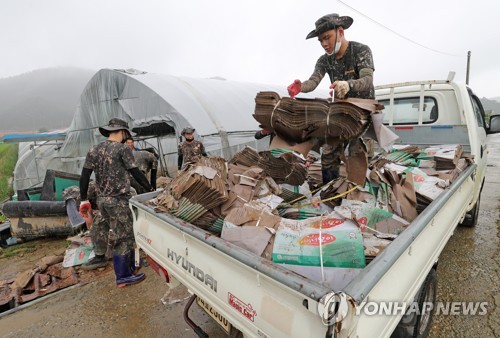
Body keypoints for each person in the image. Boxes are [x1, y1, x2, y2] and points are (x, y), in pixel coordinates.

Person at [287, 13, 375, 185]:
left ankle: (359, 194)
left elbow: (367, 80)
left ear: (340, 32)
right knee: (328, 152)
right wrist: (301, 87)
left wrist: (348, 85)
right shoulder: (324, 61)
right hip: (340, 113)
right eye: (320, 40)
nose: (324, 44)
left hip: (363, 114)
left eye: (327, 38)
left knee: (358, 153)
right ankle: (330, 191)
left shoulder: (361, 50)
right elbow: (313, 81)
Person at [79, 118, 153, 288]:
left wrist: (84, 199)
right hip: (119, 200)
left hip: (102, 200)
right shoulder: (122, 149)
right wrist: (149, 188)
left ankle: (128, 266)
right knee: (124, 236)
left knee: (111, 230)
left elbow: (84, 176)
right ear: (123, 132)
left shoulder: (94, 149)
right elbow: (135, 172)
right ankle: (123, 276)